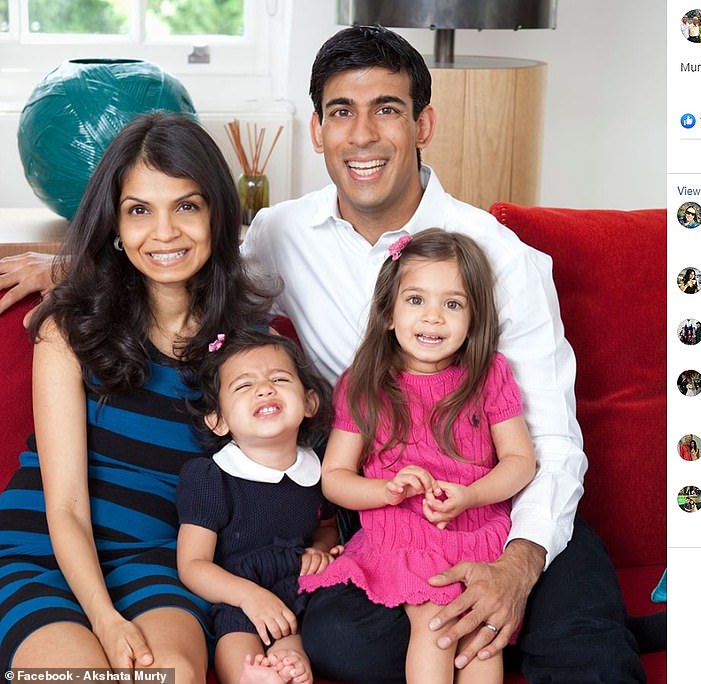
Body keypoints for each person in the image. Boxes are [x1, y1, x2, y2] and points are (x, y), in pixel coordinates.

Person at [0, 26, 650, 683]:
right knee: (340, 640)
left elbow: (551, 443)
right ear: (317, 130)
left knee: (580, 647)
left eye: (387, 110)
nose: (363, 135)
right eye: (342, 111)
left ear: (424, 122)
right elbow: (173, 253)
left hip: (499, 501)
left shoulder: (498, 256)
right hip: (379, 505)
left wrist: (519, 562)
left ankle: (569, 622)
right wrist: (66, 262)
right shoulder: (281, 235)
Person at [0, 112, 276, 674]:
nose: (165, 232)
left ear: (217, 214)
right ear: (117, 228)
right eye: (139, 210)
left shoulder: (251, 353)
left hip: (158, 564)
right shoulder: (67, 328)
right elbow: (68, 505)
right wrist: (104, 619)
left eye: (187, 206)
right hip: (41, 550)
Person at [299, 229, 536, 683]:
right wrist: (387, 490)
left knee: (483, 638)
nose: (433, 317)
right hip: (403, 533)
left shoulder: (489, 375)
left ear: (474, 318)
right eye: (415, 300)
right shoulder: (364, 382)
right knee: (436, 623)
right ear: (388, 312)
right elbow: (335, 478)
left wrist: (470, 495)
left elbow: (520, 462)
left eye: (452, 304)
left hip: (476, 528)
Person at [176, 331, 339, 684]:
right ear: (218, 419)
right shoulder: (212, 477)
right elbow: (192, 565)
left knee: (292, 654)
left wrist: (320, 550)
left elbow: (327, 525)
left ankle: (287, 671)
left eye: (279, 379)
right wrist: (250, 597)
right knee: (238, 647)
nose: (265, 389)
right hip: (236, 591)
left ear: (310, 402)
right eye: (244, 386)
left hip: (296, 591)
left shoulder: (320, 470)